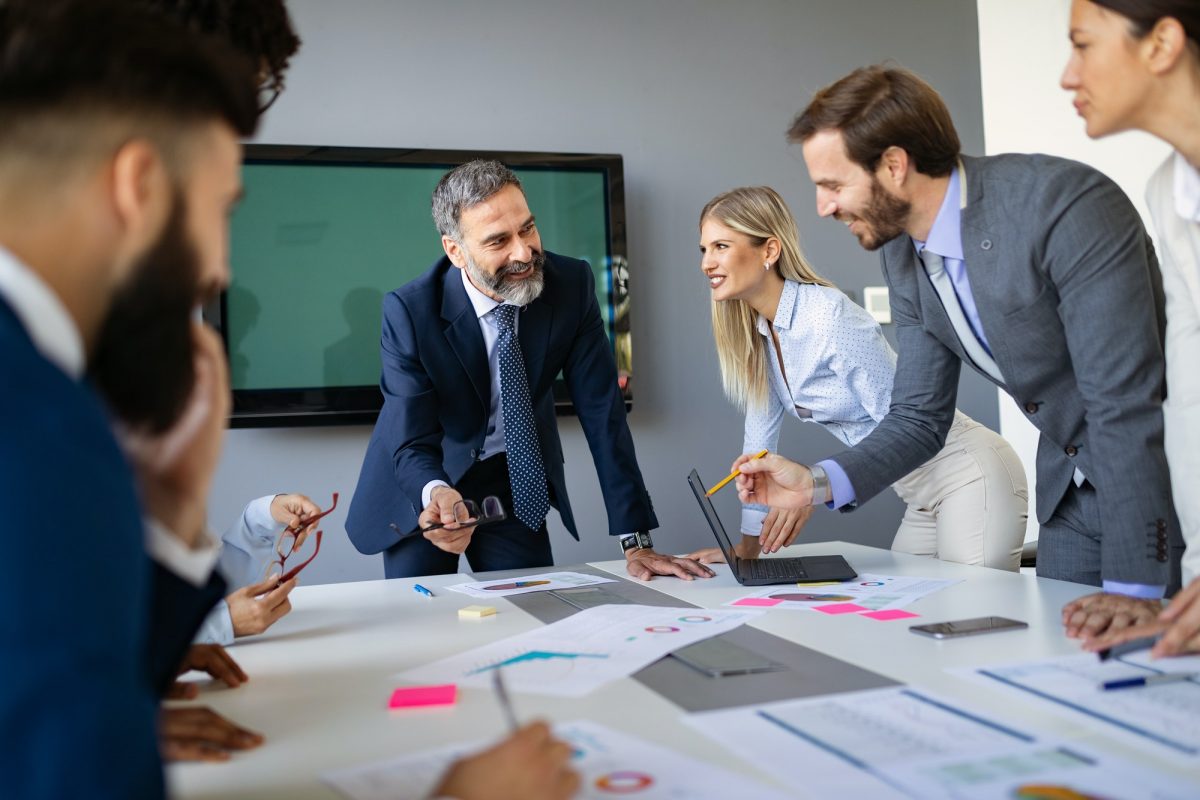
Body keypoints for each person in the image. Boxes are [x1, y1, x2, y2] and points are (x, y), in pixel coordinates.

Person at [733, 65, 1181, 613]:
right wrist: (814, 484)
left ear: (894, 166)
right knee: (1062, 668)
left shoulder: (1062, 204)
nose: (824, 207)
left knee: (1162, 676)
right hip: (1068, 497)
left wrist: (1138, 592)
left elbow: (1121, 401)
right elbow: (919, 417)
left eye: (833, 185)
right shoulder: (902, 253)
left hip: (1157, 488)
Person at [346, 159, 713, 583]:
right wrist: (437, 492)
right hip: (427, 484)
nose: (523, 252)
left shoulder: (570, 285)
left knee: (532, 610)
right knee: (424, 621)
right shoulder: (411, 312)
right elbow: (409, 438)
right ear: (455, 251)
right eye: (498, 241)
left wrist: (636, 540)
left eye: (528, 228)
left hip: (512, 480)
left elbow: (602, 412)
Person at [685, 186, 1027, 569]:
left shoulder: (827, 317)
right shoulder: (761, 336)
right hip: (918, 494)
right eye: (704, 249)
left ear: (769, 250)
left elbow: (905, 425)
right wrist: (748, 549)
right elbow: (758, 449)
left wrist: (814, 486)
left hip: (968, 475)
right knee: (911, 615)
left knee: (975, 620)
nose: (706, 263)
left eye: (720, 246)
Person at [1056, 0, 1200, 656]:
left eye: (1083, 45)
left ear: (1161, 43)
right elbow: (1191, 400)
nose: (1067, 74)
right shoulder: (1167, 194)